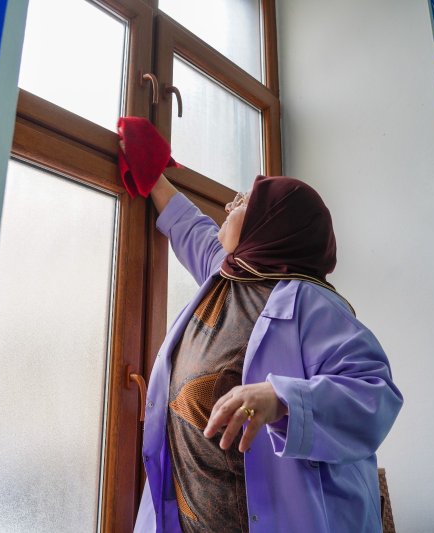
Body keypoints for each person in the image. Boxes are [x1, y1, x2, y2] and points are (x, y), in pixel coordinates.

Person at [120, 119, 403, 533]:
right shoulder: (227, 273)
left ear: (270, 225)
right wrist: (153, 175)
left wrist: (282, 399)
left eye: (242, 202)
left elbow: (375, 395)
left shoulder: (315, 304)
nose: (229, 207)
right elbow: (191, 229)